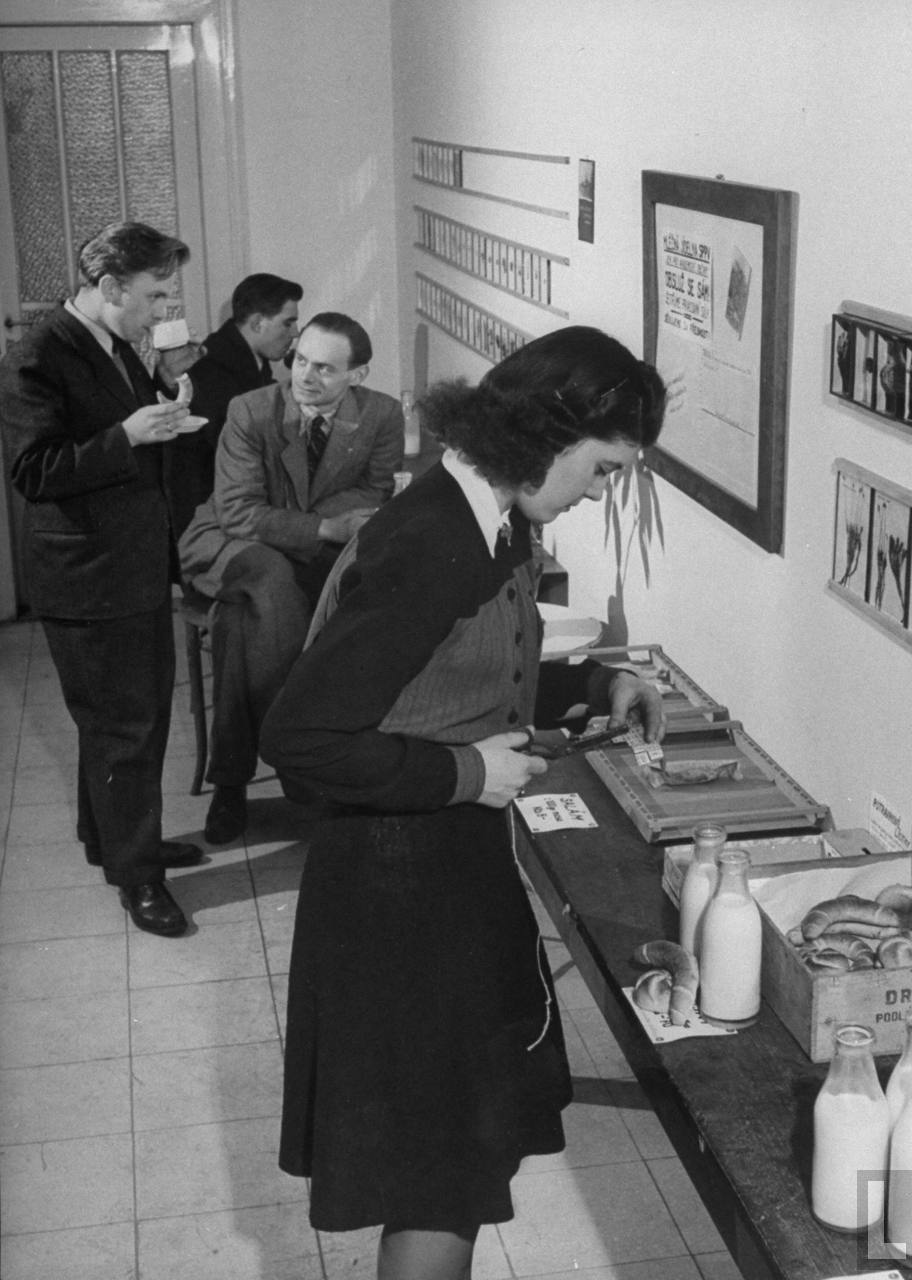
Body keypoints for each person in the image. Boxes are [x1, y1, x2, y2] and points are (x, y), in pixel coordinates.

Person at [258, 326, 667, 1280]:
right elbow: (303, 738)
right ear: (545, 436)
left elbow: (456, 673)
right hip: (397, 900)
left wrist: (591, 688)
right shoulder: (432, 538)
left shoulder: (492, 518)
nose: (601, 492)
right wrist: (468, 776)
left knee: (454, 1166)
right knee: (439, 1173)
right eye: (604, 469)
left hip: (445, 878)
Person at [0, 220, 205, 937]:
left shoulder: (113, 340)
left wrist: (169, 391)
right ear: (110, 286)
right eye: (154, 294)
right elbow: (35, 471)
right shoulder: (36, 353)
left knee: (124, 717)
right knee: (126, 726)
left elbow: (127, 415)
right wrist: (129, 437)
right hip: (86, 578)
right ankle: (138, 877)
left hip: (131, 564)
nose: (160, 309)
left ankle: (113, 841)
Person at [179, 312, 405, 844]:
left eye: (325, 369)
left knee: (243, 622)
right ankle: (297, 768)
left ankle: (231, 782)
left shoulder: (382, 415)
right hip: (232, 545)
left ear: (359, 374)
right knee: (270, 577)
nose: (305, 376)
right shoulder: (251, 409)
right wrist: (323, 524)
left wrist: (314, 525)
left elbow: (375, 494)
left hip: (306, 556)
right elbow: (236, 510)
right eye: (300, 360)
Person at [169, 272, 303, 537]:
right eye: (288, 323)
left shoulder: (254, 365)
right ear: (256, 323)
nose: (295, 333)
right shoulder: (209, 369)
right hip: (208, 518)